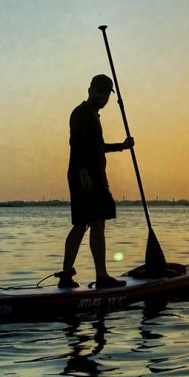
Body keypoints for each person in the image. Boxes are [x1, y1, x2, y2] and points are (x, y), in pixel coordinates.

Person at [55, 74, 134, 289]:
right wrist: (83, 173)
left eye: (107, 93)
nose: (103, 97)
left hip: (94, 176)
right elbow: (77, 143)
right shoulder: (81, 113)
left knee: (85, 224)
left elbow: (96, 146)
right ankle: (101, 276)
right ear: (90, 90)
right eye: (100, 92)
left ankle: (66, 275)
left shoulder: (92, 115)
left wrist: (121, 146)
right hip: (86, 176)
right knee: (93, 223)